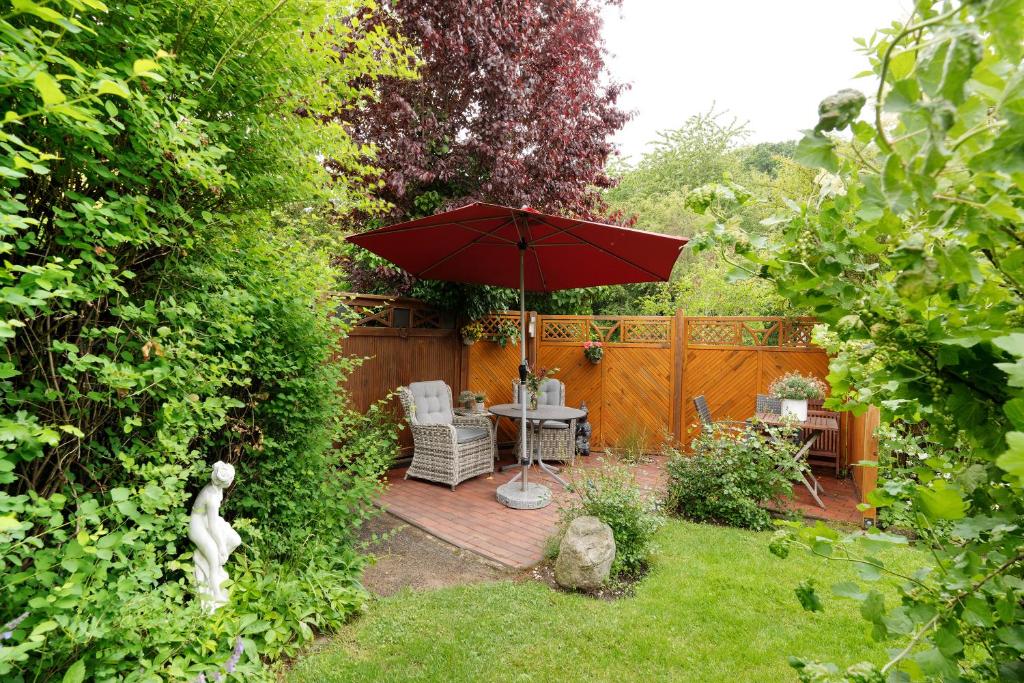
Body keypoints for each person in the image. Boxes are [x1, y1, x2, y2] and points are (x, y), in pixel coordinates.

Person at [188, 461, 241, 612]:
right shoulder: (211, 496)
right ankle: (215, 593)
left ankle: (216, 563)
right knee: (213, 554)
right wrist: (221, 546)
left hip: (207, 520)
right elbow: (212, 526)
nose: (232, 481)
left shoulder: (217, 489)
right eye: (231, 479)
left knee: (235, 540)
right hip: (197, 525)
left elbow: (214, 521)